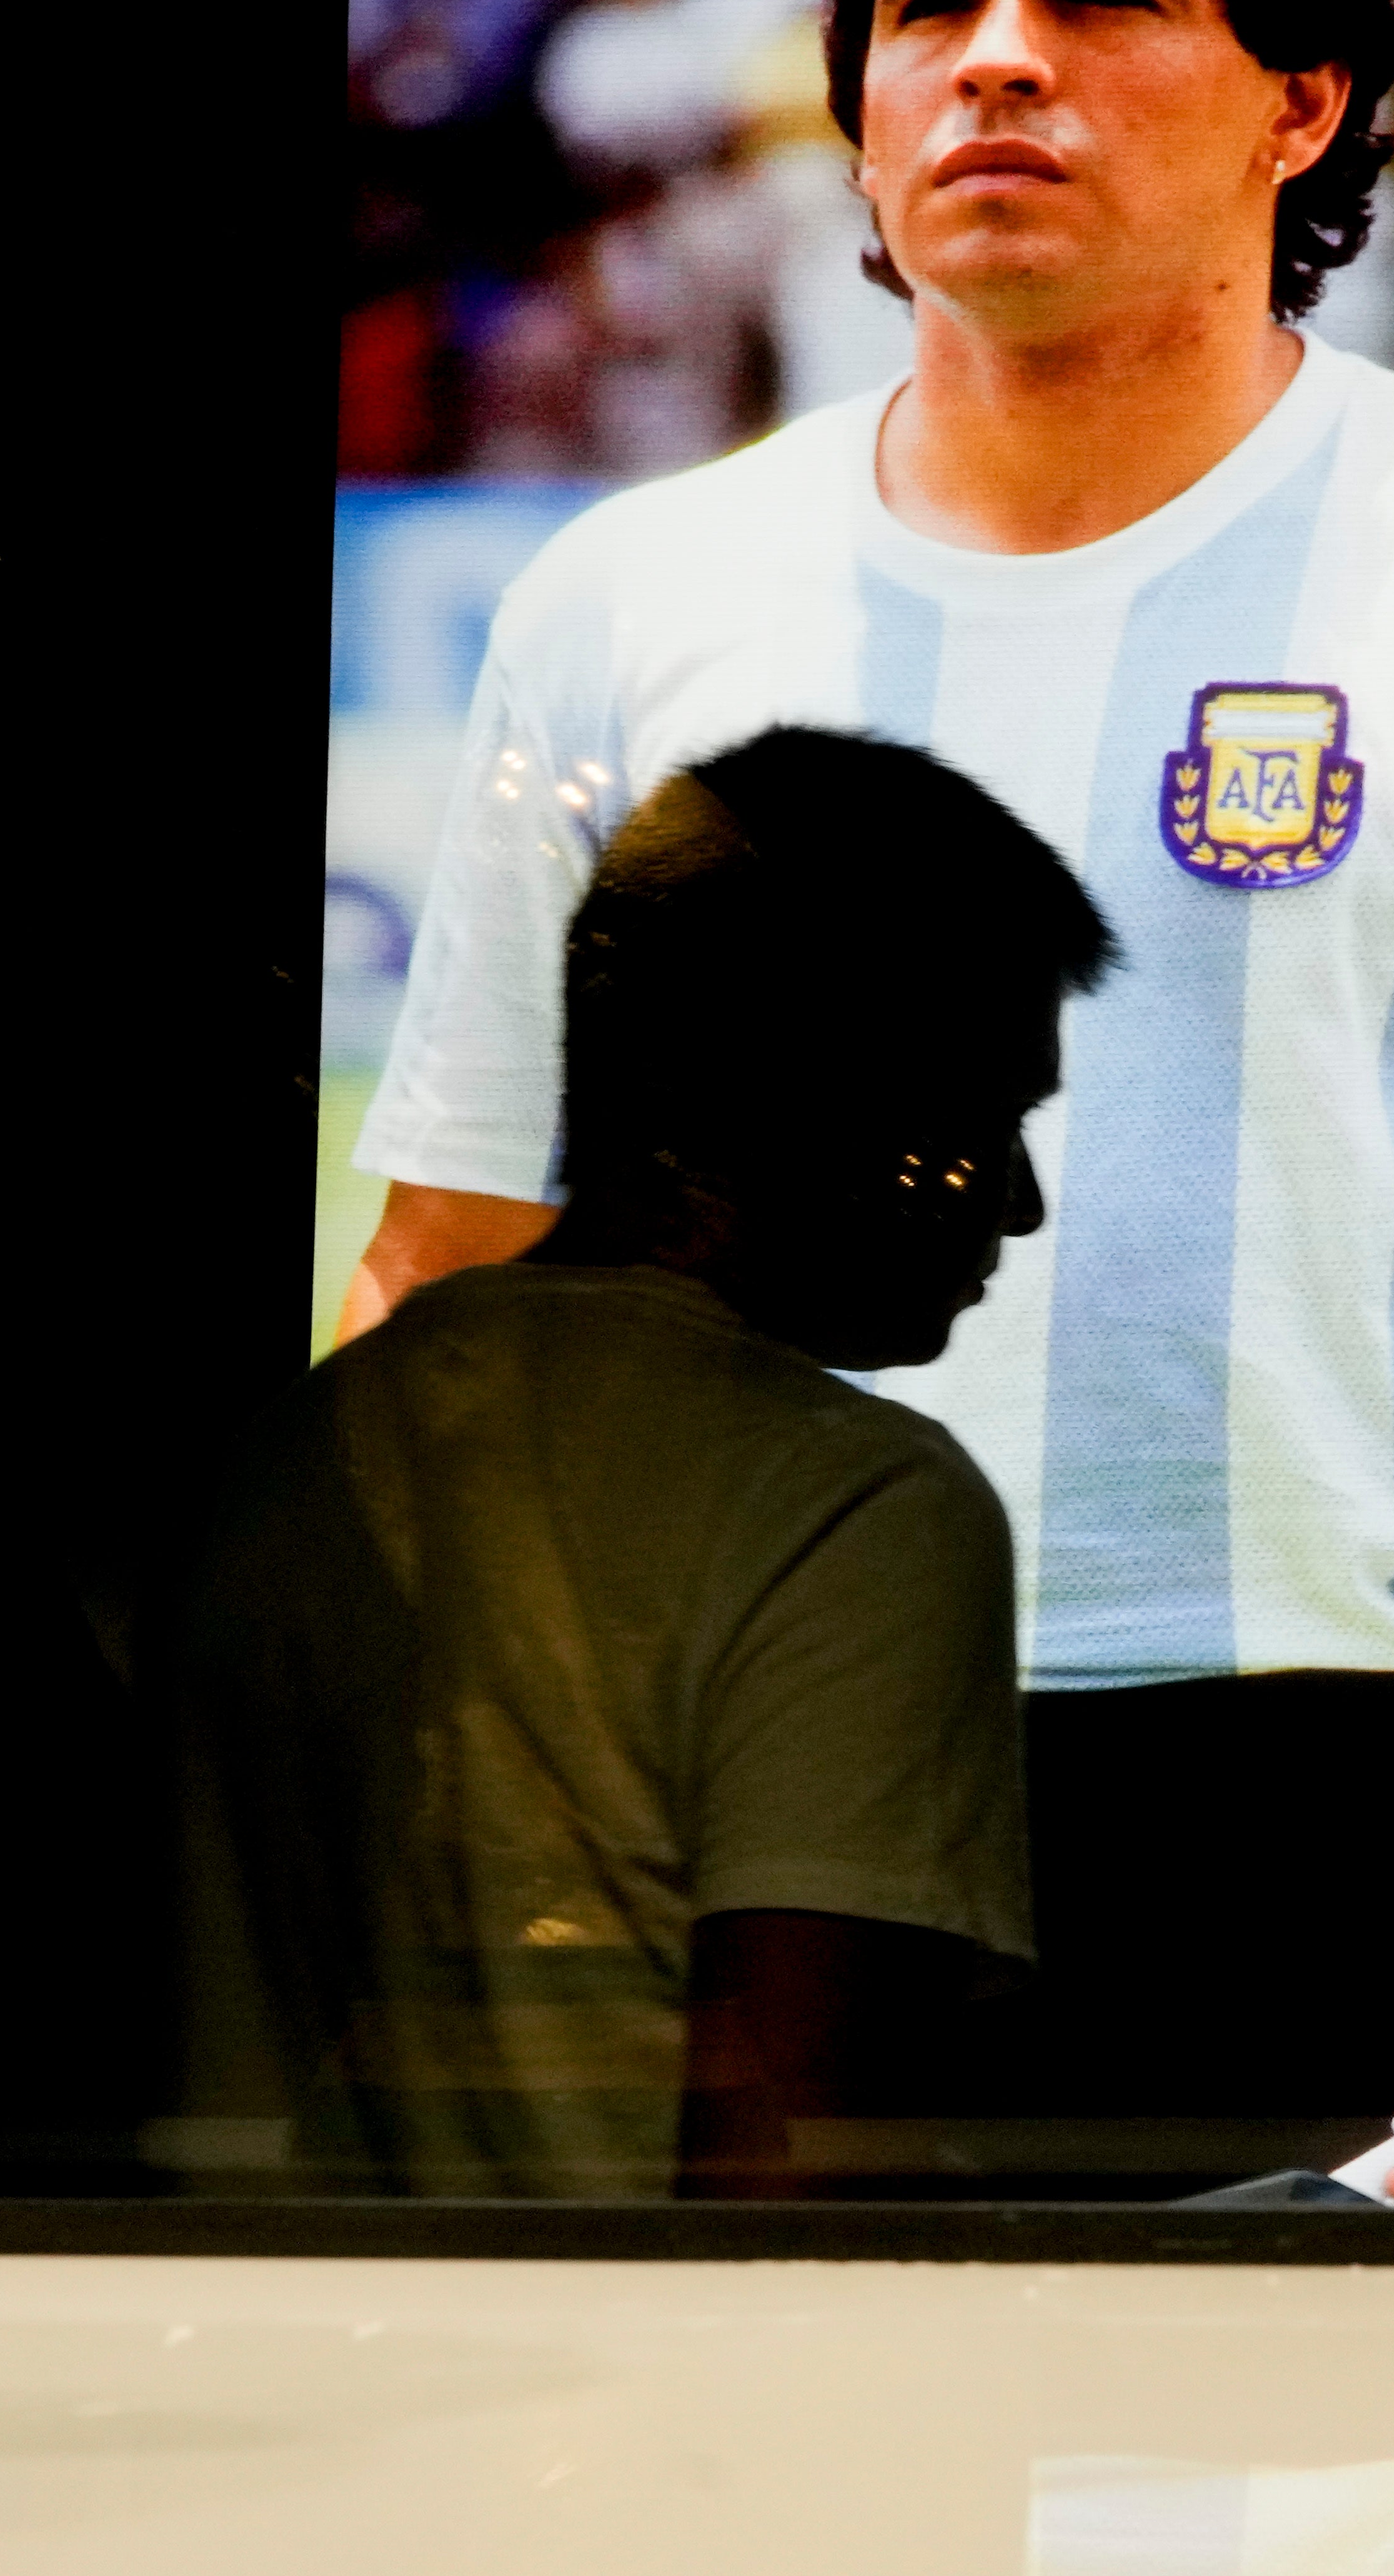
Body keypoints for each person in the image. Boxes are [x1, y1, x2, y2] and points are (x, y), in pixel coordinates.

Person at [346, 0, 1394, 2198]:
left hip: (1335, 1804)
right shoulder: (630, 603)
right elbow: (448, 1272)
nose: (996, 56)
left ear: (1307, 100)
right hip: (734, 1806)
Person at [195, 728, 1113, 2195]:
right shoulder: (856, 1508)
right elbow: (787, 2188)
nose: (1015, 1206)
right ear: (791, 1118)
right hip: (645, 2411)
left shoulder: (287, 1458)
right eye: (967, 1135)